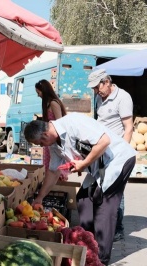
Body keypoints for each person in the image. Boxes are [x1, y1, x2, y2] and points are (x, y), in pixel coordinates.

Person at [24, 113, 136, 265]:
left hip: (118, 160)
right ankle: (88, 246)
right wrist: (39, 198)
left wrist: (83, 164)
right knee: (84, 201)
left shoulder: (73, 123)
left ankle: (101, 259)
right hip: (98, 166)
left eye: (40, 144)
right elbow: (53, 172)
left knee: (104, 208)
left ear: (44, 135)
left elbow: (104, 141)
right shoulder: (53, 144)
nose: (42, 147)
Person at [88, 68, 134, 242]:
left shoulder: (123, 97)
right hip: (102, 151)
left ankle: (118, 228)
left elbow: (128, 127)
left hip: (116, 153)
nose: (95, 91)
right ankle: (104, 224)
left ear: (106, 82)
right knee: (102, 188)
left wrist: (122, 153)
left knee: (116, 191)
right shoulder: (99, 97)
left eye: (97, 87)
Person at [35, 79, 67, 180]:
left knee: (55, 168)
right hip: (50, 141)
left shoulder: (53, 103)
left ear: (44, 91)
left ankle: (55, 184)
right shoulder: (47, 104)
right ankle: (51, 184)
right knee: (50, 166)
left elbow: (60, 122)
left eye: (38, 92)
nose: (38, 95)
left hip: (54, 140)